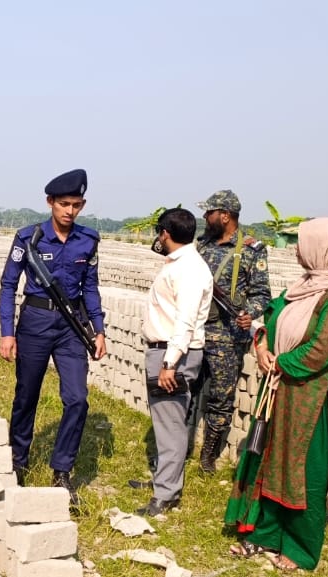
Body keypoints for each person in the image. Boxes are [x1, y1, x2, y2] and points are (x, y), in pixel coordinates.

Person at [225, 217, 328, 572]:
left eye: (302, 243)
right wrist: (261, 347)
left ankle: (301, 547)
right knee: (271, 461)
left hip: (314, 399)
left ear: (324, 250)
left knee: (306, 471)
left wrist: (280, 363)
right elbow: (269, 319)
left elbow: (323, 350)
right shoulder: (302, 286)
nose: (295, 249)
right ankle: (264, 534)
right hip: (281, 390)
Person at [0, 168, 106, 505]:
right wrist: (6, 333)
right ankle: (18, 461)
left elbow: (90, 287)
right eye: (63, 204)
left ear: (82, 205)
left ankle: (62, 471)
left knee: (77, 399)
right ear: (50, 203)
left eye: (75, 205)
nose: (69, 211)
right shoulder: (28, 238)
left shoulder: (88, 240)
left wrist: (99, 329)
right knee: (26, 394)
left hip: (72, 327)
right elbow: (8, 284)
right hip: (35, 321)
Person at [135, 208, 212, 517]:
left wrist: (169, 363)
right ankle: (163, 481)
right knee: (167, 421)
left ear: (165, 233)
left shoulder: (190, 269)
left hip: (173, 354)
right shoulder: (180, 264)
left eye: (159, 233)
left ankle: (166, 494)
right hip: (167, 351)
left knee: (171, 423)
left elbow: (186, 321)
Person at [191, 189, 271, 473]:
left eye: (210, 212)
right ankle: (179, 449)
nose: (205, 216)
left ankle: (208, 457)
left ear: (224, 216)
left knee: (221, 398)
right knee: (185, 390)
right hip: (196, 332)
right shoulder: (201, 245)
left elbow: (262, 294)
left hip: (227, 337)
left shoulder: (251, 250)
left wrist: (250, 314)